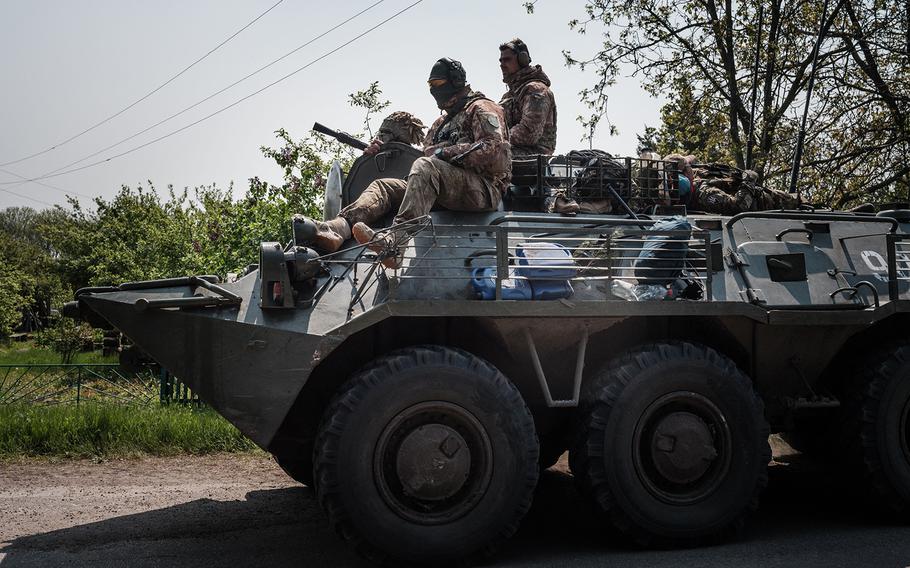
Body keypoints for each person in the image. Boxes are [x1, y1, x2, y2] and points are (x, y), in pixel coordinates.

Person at [310, 58, 511, 267]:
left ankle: (395, 245)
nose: (434, 90)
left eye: (439, 84)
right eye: (431, 85)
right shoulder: (442, 123)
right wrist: (383, 147)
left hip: (483, 189)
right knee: (384, 186)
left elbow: (492, 147)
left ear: (456, 81)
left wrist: (444, 153)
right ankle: (338, 229)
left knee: (426, 166)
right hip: (445, 186)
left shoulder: (481, 108)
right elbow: (424, 156)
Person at [498, 38, 557, 157]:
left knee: (488, 156)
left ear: (522, 60)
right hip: (511, 151)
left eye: (507, 60)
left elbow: (529, 133)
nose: (502, 65)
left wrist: (493, 139)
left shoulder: (536, 90)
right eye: (501, 61)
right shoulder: (509, 95)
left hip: (534, 156)